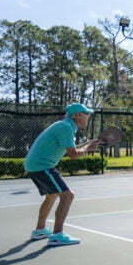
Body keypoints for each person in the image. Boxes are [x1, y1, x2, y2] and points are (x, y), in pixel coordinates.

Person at [23, 103, 104, 245]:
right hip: (42, 166)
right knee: (68, 196)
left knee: (51, 196)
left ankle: (39, 230)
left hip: (34, 165)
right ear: (78, 115)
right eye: (86, 114)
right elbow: (72, 154)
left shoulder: (65, 125)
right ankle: (57, 235)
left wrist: (89, 143)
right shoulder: (65, 127)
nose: (88, 117)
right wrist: (88, 149)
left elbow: (70, 148)